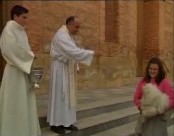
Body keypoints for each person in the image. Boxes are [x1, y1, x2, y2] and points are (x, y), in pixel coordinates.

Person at [47, 16, 96, 134]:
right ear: (69, 24)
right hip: (60, 70)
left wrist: (76, 66)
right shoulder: (61, 35)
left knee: (69, 96)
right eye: (76, 26)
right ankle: (56, 123)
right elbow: (73, 52)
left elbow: (72, 52)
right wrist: (91, 53)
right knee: (60, 96)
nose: (78, 29)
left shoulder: (68, 35)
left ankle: (67, 122)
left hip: (67, 68)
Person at [0, 5, 41, 136]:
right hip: (14, 72)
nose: (26, 20)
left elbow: (23, 49)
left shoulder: (21, 30)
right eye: (24, 17)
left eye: (26, 17)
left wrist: (30, 57)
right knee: (15, 102)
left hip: (23, 70)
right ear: (15, 16)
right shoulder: (9, 28)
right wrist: (30, 56)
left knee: (25, 101)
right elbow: (11, 49)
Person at [134, 57, 174, 136]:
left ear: (159, 70)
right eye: (150, 68)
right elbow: (136, 98)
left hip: (158, 119)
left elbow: (172, 99)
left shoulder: (164, 82)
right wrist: (141, 107)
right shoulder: (143, 81)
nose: (152, 71)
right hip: (146, 118)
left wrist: (160, 109)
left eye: (155, 69)